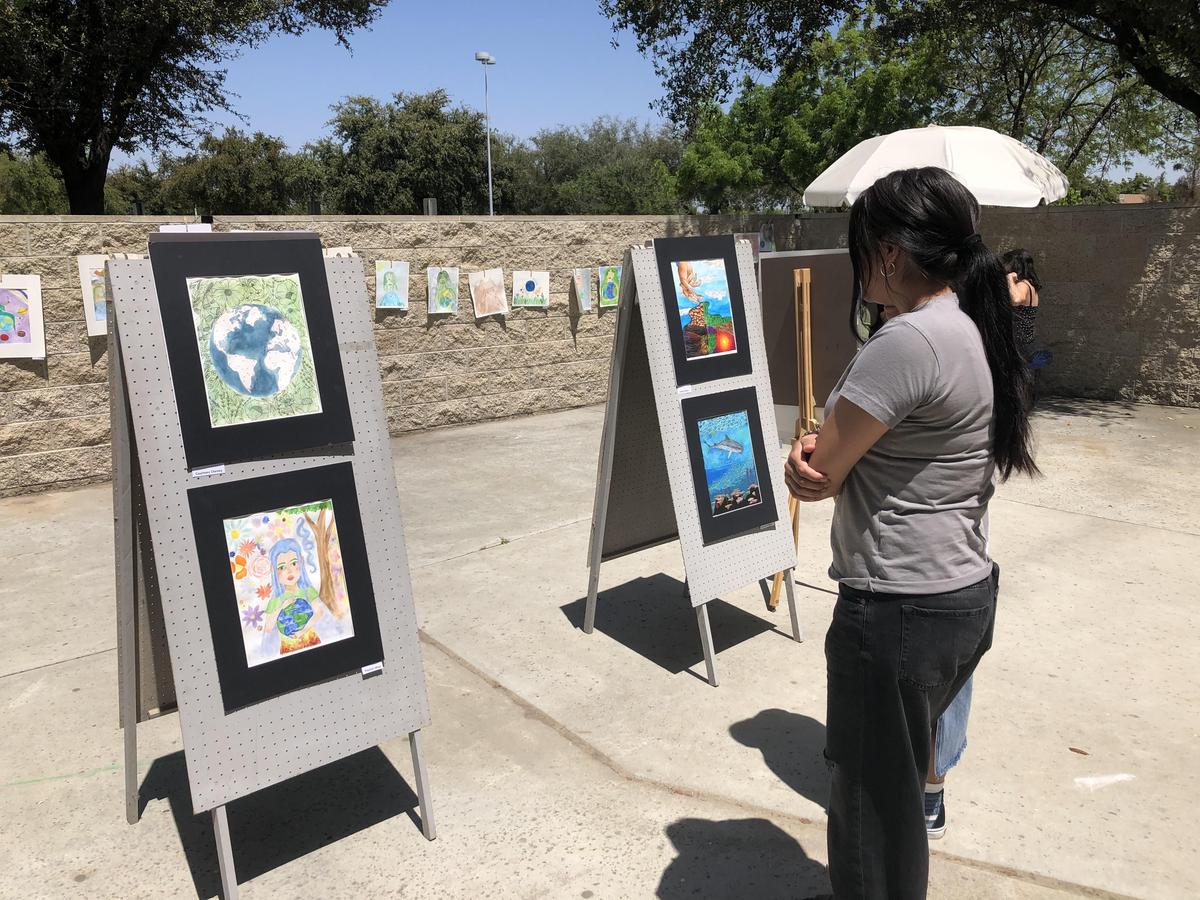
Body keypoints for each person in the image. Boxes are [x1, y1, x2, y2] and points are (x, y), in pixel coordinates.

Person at [785, 166, 1037, 899]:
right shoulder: (967, 326)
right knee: (897, 804)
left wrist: (808, 457)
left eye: (861, 245)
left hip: (896, 609)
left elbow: (821, 473)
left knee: (872, 818)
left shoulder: (909, 342)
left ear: (891, 253)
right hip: (959, 594)